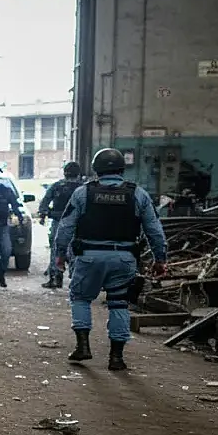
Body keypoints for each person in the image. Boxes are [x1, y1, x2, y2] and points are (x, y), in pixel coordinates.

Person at [54, 148, 168, 370]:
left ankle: (83, 346)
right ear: (121, 169)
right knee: (119, 304)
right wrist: (160, 259)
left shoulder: (83, 193)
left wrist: (60, 254)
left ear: (96, 169)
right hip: (123, 258)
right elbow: (155, 230)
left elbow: (65, 227)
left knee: (80, 298)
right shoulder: (138, 194)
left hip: (88, 257)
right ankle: (116, 357)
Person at [38, 162, 83, 289]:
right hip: (78, 224)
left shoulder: (57, 186)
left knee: (57, 249)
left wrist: (44, 214)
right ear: (78, 173)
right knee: (77, 251)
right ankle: (75, 280)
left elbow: (44, 203)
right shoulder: (83, 188)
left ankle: (55, 278)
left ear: (65, 173)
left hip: (59, 222)